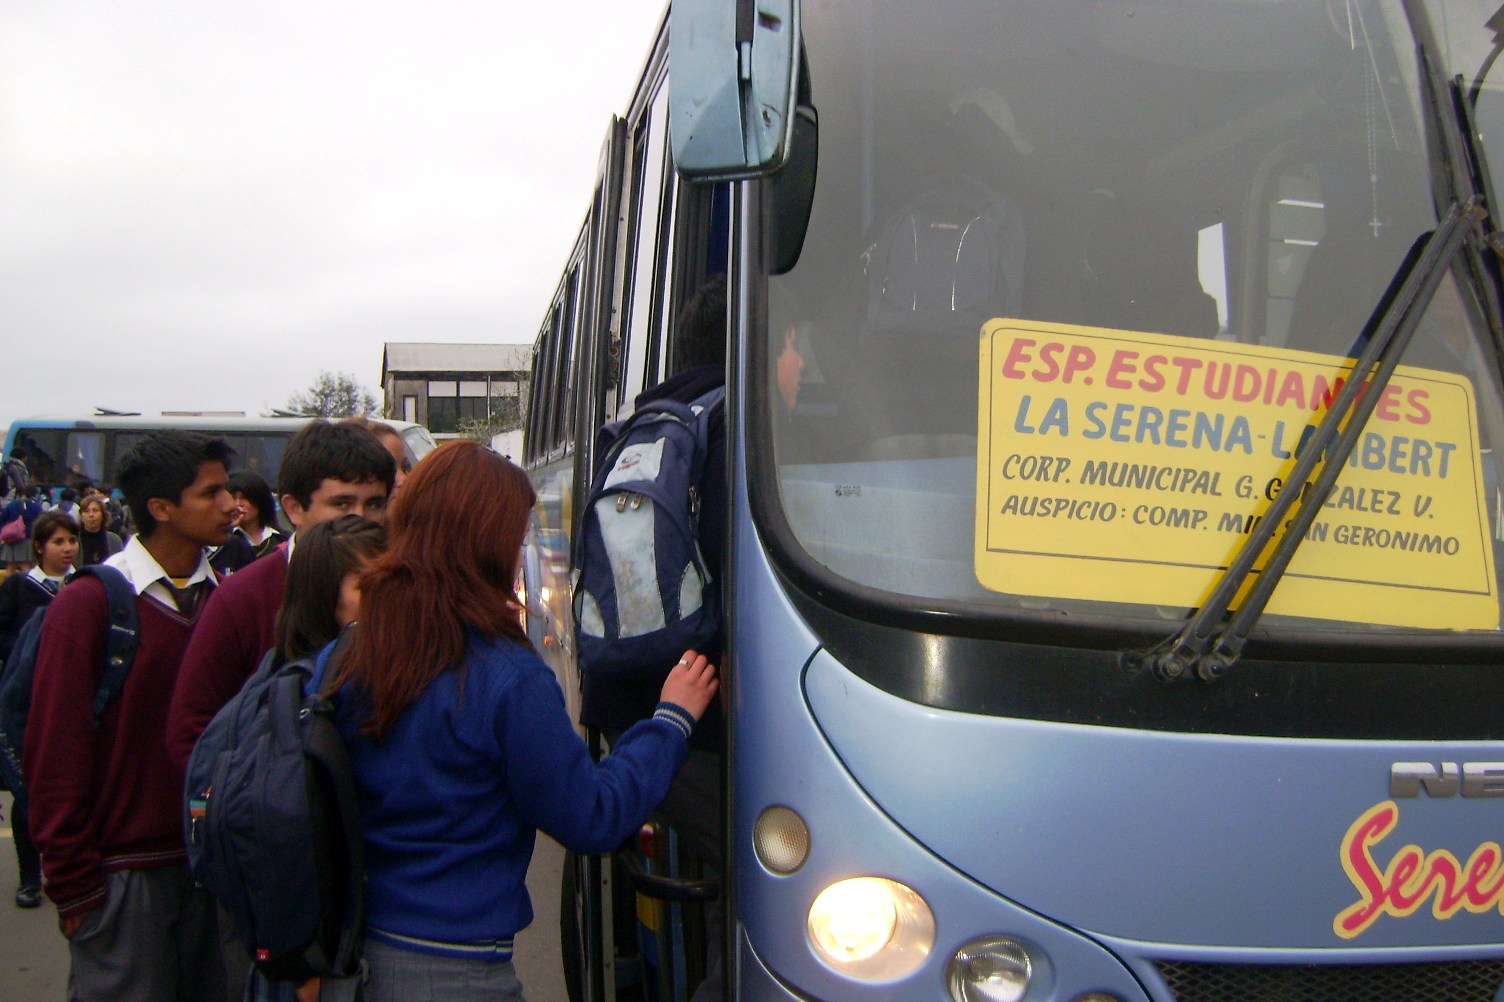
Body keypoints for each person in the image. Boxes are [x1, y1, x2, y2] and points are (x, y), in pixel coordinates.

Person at [313, 440, 717, 1002]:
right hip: (457, 974)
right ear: (489, 543)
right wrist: (671, 719)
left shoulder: (349, 651)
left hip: (357, 956)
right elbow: (592, 817)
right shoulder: (506, 678)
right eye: (516, 535)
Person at [23, 431, 237, 1001]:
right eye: (210, 494)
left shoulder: (228, 599)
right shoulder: (91, 604)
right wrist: (75, 887)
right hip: (122, 878)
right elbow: (54, 752)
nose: (230, 505)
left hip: (215, 872)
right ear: (161, 508)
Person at [581, 275, 729, 1001]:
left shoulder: (649, 421)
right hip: (690, 707)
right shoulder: (732, 426)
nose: (801, 365)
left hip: (627, 692)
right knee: (783, 871)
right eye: (795, 345)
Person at [165, 418, 395, 772]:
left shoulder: (403, 588)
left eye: (375, 504)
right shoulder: (242, 598)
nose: (360, 518)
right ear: (294, 508)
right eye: (342, 504)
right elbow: (193, 732)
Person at [0, 510, 79, 911]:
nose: (67, 549)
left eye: (72, 541)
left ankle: (70, 869)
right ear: (39, 547)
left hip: (73, 702)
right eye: (58, 542)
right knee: (27, 790)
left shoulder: (85, 587)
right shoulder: (20, 588)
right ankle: (30, 877)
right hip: (27, 701)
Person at [229, 469, 287, 559]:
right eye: (233, 498)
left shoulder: (281, 539)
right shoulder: (225, 541)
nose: (238, 504)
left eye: (244, 498)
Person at [2, 486, 48, 574]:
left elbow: (2, 519)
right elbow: (43, 522)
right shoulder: (37, 507)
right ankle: (25, 583)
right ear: (35, 495)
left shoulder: (12, 504)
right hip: (27, 539)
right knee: (25, 566)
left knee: (10, 567)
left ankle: (8, 583)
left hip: (11, 538)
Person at [76, 495, 125, 567]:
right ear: (81, 516)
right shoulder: (75, 540)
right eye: (86, 511)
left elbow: (122, 565)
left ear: (103, 515)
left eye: (95, 510)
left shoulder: (114, 540)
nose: (91, 515)